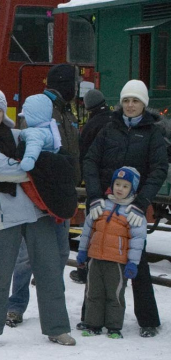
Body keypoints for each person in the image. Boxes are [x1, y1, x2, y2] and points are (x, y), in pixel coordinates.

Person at [0, 88, 74, 348]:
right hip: (3, 217)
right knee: (0, 275)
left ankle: (57, 327)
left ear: (5, 112)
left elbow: (48, 148)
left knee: (49, 271)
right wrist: (38, 169)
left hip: (37, 212)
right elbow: (1, 169)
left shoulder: (18, 135)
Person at [83, 79, 169, 337]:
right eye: (127, 101)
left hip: (133, 209)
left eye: (136, 101)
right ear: (121, 103)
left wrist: (141, 203)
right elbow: (90, 160)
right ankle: (91, 317)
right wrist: (96, 196)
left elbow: (159, 170)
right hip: (105, 205)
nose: (130, 105)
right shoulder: (109, 128)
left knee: (137, 260)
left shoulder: (152, 133)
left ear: (144, 104)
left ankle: (148, 321)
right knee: (96, 258)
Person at [5, 64, 80, 327]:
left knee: (61, 252)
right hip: (38, 194)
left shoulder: (67, 110)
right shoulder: (37, 108)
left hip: (62, 191)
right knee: (26, 255)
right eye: (74, 83)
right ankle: (15, 305)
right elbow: (28, 147)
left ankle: (52, 303)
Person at [76, 167, 146, 338]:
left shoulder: (133, 213)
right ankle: (93, 324)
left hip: (117, 261)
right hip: (95, 259)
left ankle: (114, 326)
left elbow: (137, 242)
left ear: (132, 189)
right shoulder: (101, 206)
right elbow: (88, 231)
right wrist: (83, 251)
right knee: (93, 292)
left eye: (125, 186)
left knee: (115, 294)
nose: (120, 189)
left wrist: (132, 263)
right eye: (117, 184)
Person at [70, 89, 113, 285]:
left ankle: (85, 272)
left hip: (97, 187)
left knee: (92, 230)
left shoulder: (91, 125)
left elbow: (84, 155)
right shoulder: (115, 119)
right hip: (118, 188)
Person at [16, 94, 62, 172]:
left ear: (32, 118)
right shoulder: (50, 130)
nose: (22, 121)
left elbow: (33, 147)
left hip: (36, 168)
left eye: (24, 118)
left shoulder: (35, 133)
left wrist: (28, 160)